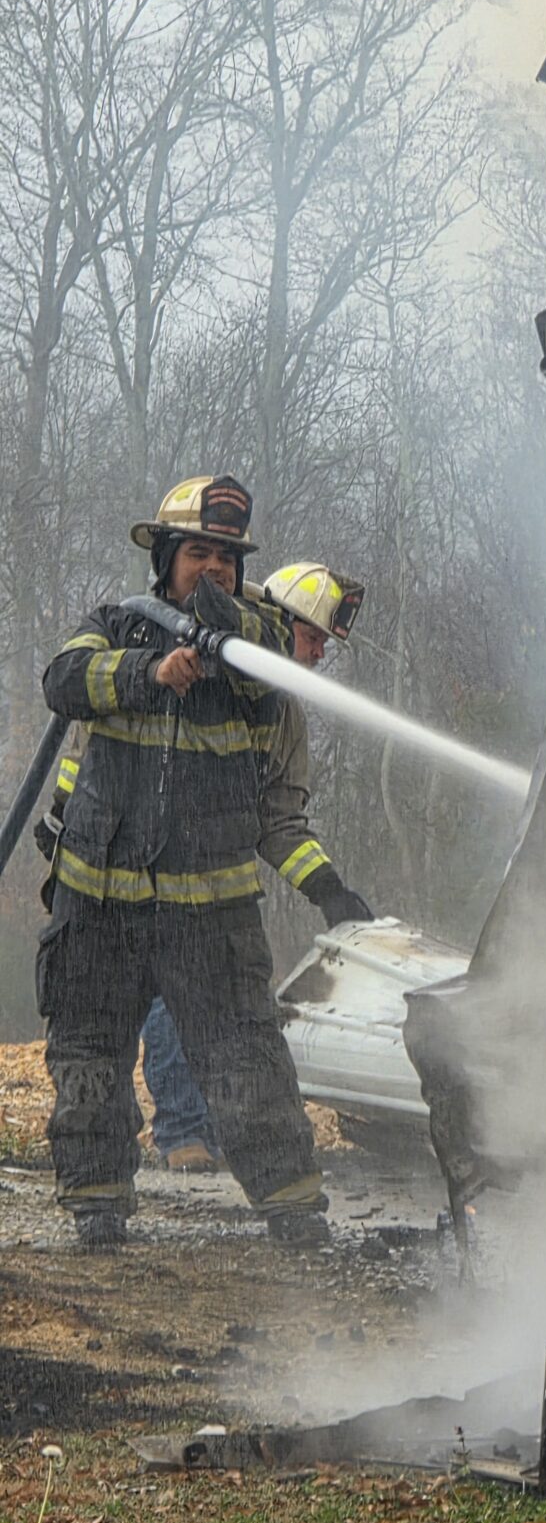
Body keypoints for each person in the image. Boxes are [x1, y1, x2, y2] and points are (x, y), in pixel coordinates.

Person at [37, 474, 366, 1251]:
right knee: (88, 1059)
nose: (213, 568)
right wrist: (146, 672)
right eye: (197, 553)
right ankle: (97, 1209)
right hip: (98, 904)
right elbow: (62, 681)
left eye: (226, 557)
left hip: (211, 916)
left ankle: (293, 1211)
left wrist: (332, 891)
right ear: (164, 559)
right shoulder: (114, 624)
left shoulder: (258, 659)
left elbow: (275, 673)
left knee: (247, 1061)